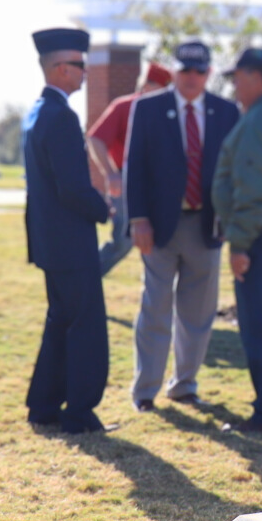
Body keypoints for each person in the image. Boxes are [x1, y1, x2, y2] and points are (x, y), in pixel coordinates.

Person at [123, 41, 237, 409]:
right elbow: (134, 166)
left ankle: (184, 385)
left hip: (206, 226)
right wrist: (137, 219)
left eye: (199, 71)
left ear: (210, 74)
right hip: (158, 227)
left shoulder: (226, 112)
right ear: (173, 71)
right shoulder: (148, 108)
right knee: (155, 308)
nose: (191, 77)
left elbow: (233, 171)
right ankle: (145, 392)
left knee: (198, 314)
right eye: (185, 70)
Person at [22, 27, 111, 433]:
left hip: (48, 242)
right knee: (85, 327)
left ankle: (43, 405)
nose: (85, 72)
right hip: (71, 243)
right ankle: (78, 412)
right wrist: (103, 208)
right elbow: (72, 187)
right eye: (79, 65)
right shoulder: (61, 116)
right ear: (59, 69)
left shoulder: (37, 113)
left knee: (60, 320)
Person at [211, 46, 262, 432]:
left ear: (255, 77)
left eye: (237, 77)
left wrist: (240, 244)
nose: (233, 85)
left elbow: (254, 190)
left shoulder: (260, 120)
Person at [88, 61, 172, 275]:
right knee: (122, 242)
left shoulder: (168, 112)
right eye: (163, 87)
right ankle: (84, 283)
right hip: (127, 183)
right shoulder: (124, 106)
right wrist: (111, 174)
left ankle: (159, 303)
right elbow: (95, 139)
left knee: (163, 243)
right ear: (148, 84)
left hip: (159, 186)